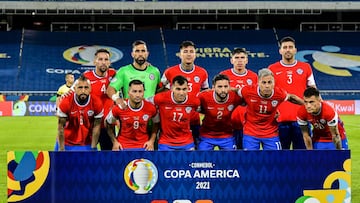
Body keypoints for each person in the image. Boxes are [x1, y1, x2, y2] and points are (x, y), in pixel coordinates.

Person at [268, 36, 317, 150]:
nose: (288, 50)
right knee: (281, 157)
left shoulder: (305, 67)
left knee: (301, 156)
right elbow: (268, 94)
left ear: (295, 50)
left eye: (290, 47)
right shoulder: (272, 68)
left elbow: (314, 90)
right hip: (279, 120)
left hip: (301, 119)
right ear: (280, 50)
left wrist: (321, 108)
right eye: (285, 47)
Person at [238, 68, 304, 150]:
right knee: (250, 160)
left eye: (270, 82)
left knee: (274, 160)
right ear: (258, 82)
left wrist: (306, 104)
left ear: (274, 83)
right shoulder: (248, 91)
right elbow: (236, 93)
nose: (267, 86)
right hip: (251, 133)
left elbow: (291, 97)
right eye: (264, 82)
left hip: (271, 134)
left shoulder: (279, 93)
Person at [160, 40, 209, 147]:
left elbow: (205, 92)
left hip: (194, 118)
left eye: (191, 51)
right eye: (185, 51)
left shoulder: (202, 72)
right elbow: (160, 92)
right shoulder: (169, 72)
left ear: (195, 55)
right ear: (180, 54)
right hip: (173, 119)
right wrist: (168, 88)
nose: (188, 54)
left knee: (195, 150)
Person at [220, 48, 258, 149]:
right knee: (229, 156)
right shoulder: (224, 75)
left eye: (242, 58)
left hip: (248, 125)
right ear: (231, 60)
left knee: (246, 155)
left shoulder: (254, 77)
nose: (239, 60)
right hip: (228, 124)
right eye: (236, 58)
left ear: (247, 60)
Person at [105, 80, 159, 150]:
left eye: (140, 91)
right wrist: (114, 142)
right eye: (134, 91)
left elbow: (157, 123)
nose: (137, 95)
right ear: (128, 92)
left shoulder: (150, 108)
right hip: (123, 146)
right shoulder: (120, 107)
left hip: (143, 147)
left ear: (143, 92)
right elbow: (107, 123)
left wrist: (151, 141)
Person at [151, 75, 200, 150]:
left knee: (190, 161)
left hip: (187, 142)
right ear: (172, 88)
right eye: (178, 89)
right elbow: (145, 103)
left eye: (184, 89)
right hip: (166, 142)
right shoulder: (160, 98)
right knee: (164, 161)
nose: (181, 93)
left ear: (188, 89)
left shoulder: (194, 101)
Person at [56, 75, 103, 151]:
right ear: (74, 88)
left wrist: (93, 147)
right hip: (66, 143)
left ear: (90, 89)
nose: (83, 91)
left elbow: (97, 126)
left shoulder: (97, 102)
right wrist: (61, 148)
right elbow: (60, 127)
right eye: (80, 87)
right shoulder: (66, 102)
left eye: (86, 87)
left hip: (87, 143)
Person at [83, 48, 116, 150]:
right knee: (88, 157)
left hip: (108, 126)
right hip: (90, 125)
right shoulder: (86, 76)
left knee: (108, 159)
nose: (103, 62)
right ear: (94, 61)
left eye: (106, 60)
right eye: (100, 59)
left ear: (109, 62)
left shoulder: (113, 74)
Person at [198, 74, 241, 150]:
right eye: (220, 87)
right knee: (202, 160)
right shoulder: (203, 96)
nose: (223, 90)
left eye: (226, 86)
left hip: (227, 136)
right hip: (207, 136)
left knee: (231, 160)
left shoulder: (235, 97)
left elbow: (248, 97)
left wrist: (237, 90)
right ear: (213, 87)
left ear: (229, 87)